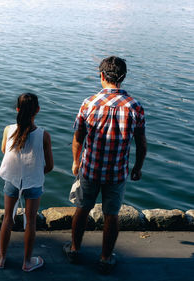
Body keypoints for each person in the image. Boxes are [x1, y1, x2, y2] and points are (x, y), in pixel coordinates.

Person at [65, 56, 147, 274]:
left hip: (90, 168)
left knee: (82, 209)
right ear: (123, 77)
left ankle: (74, 249)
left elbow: (78, 138)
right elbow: (141, 143)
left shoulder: (89, 103)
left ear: (101, 76)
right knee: (112, 215)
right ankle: (105, 258)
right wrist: (137, 167)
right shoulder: (135, 107)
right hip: (117, 172)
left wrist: (76, 162)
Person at [0, 93, 53, 272]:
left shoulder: (8, 129)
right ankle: (27, 262)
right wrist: (33, 172)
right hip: (33, 183)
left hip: (12, 181)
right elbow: (49, 166)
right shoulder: (44, 135)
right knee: (31, 221)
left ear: (17, 109)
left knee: (8, 218)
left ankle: (1, 258)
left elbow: (5, 150)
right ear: (38, 110)